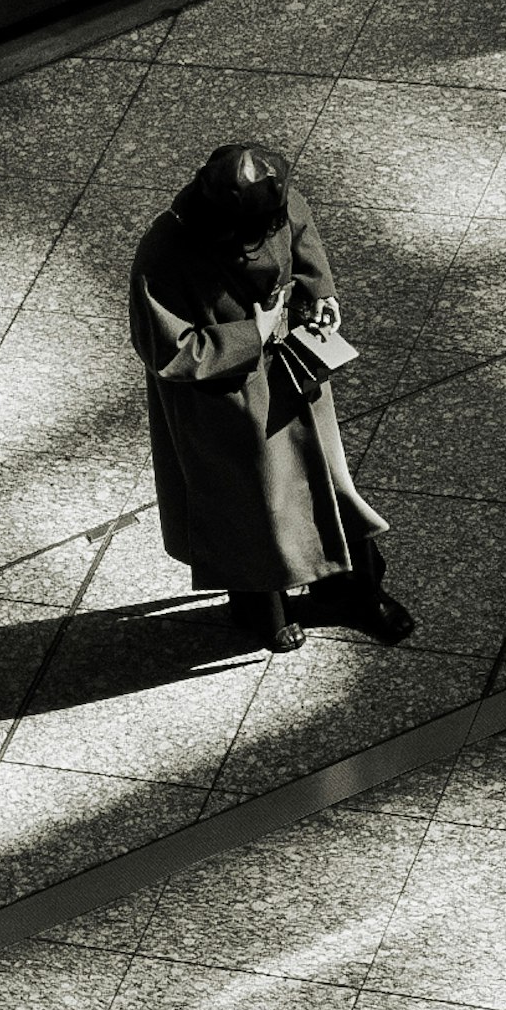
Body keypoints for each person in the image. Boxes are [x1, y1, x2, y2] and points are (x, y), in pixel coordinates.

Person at [127, 142, 408, 658]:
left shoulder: (275, 203)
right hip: (226, 403)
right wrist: (251, 334)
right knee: (251, 508)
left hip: (293, 374)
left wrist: (321, 293)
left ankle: (350, 590)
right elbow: (168, 350)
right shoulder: (165, 252)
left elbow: (301, 238)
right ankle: (260, 608)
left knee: (328, 486)